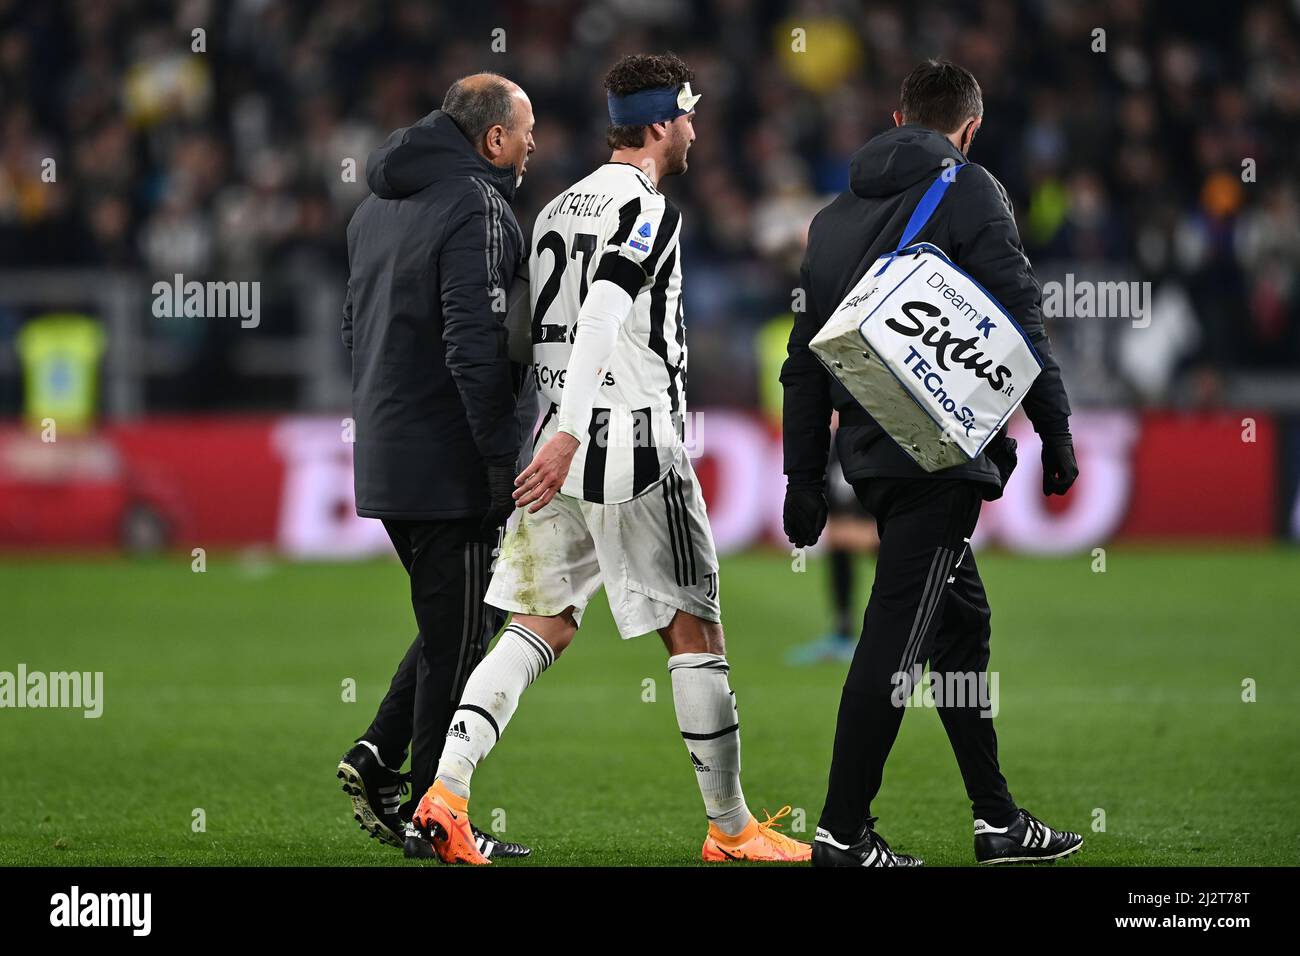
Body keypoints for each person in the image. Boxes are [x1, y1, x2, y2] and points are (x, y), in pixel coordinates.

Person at [405, 52, 809, 865]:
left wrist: (555, 425)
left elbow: (523, 331)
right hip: (626, 440)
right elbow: (599, 317)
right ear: (660, 124)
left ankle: (445, 792)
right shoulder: (650, 211)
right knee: (695, 632)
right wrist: (574, 428)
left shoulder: (554, 208)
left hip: (559, 442)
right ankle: (731, 831)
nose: (695, 128)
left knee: (537, 624)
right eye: (687, 115)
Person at [781, 59, 1084, 866]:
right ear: (970, 127)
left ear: (896, 118)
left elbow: (803, 362)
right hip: (941, 461)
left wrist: (803, 477)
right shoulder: (972, 188)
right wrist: (1055, 430)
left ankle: (997, 822)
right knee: (894, 642)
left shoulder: (832, 217)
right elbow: (1023, 318)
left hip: (874, 460)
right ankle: (842, 833)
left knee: (960, 632)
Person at [335, 73, 536, 860]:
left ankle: (381, 759)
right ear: (492, 139)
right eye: (526, 130)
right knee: (460, 638)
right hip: (449, 458)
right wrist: (497, 460)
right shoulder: (477, 205)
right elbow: (475, 344)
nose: (532, 146)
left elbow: (353, 327)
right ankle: (431, 816)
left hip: (388, 450)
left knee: (456, 622)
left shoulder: (373, 207)